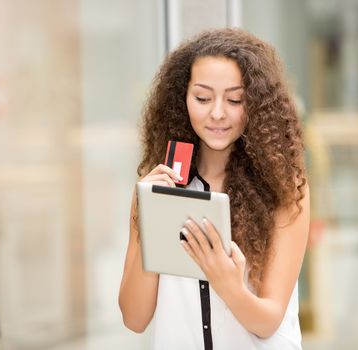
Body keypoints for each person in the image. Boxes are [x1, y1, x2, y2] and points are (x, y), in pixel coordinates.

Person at [118, 28, 310, 349]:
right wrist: (148, 217)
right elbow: (134, 318)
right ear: (183, 99)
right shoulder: (158, 188)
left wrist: (227, 284)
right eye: (203, 98)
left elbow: (268, 321)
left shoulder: (284, 190)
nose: (217, 113)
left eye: (235, 99)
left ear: (257, 104)